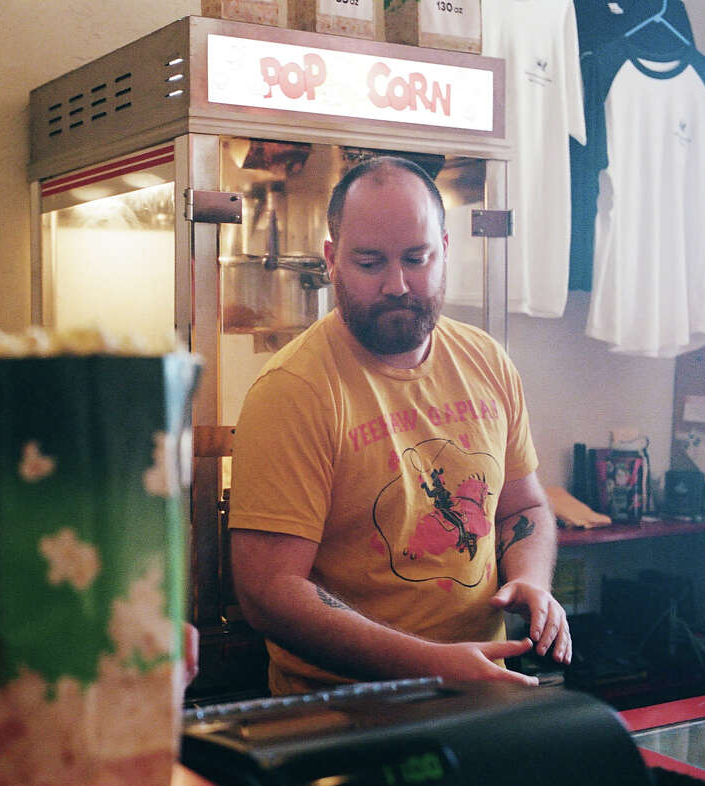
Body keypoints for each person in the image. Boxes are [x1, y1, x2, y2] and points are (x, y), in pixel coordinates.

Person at [227, 156, 571, 696]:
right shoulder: (294, 389)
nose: (397, 284)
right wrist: (432, 664)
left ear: (446, 251)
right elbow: (270, 592)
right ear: (331, 259)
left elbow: (523, 506)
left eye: (417, 258)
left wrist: (529, 580)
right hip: (343, 713)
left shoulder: (486, 360)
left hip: (480, 693)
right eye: (369, 263)